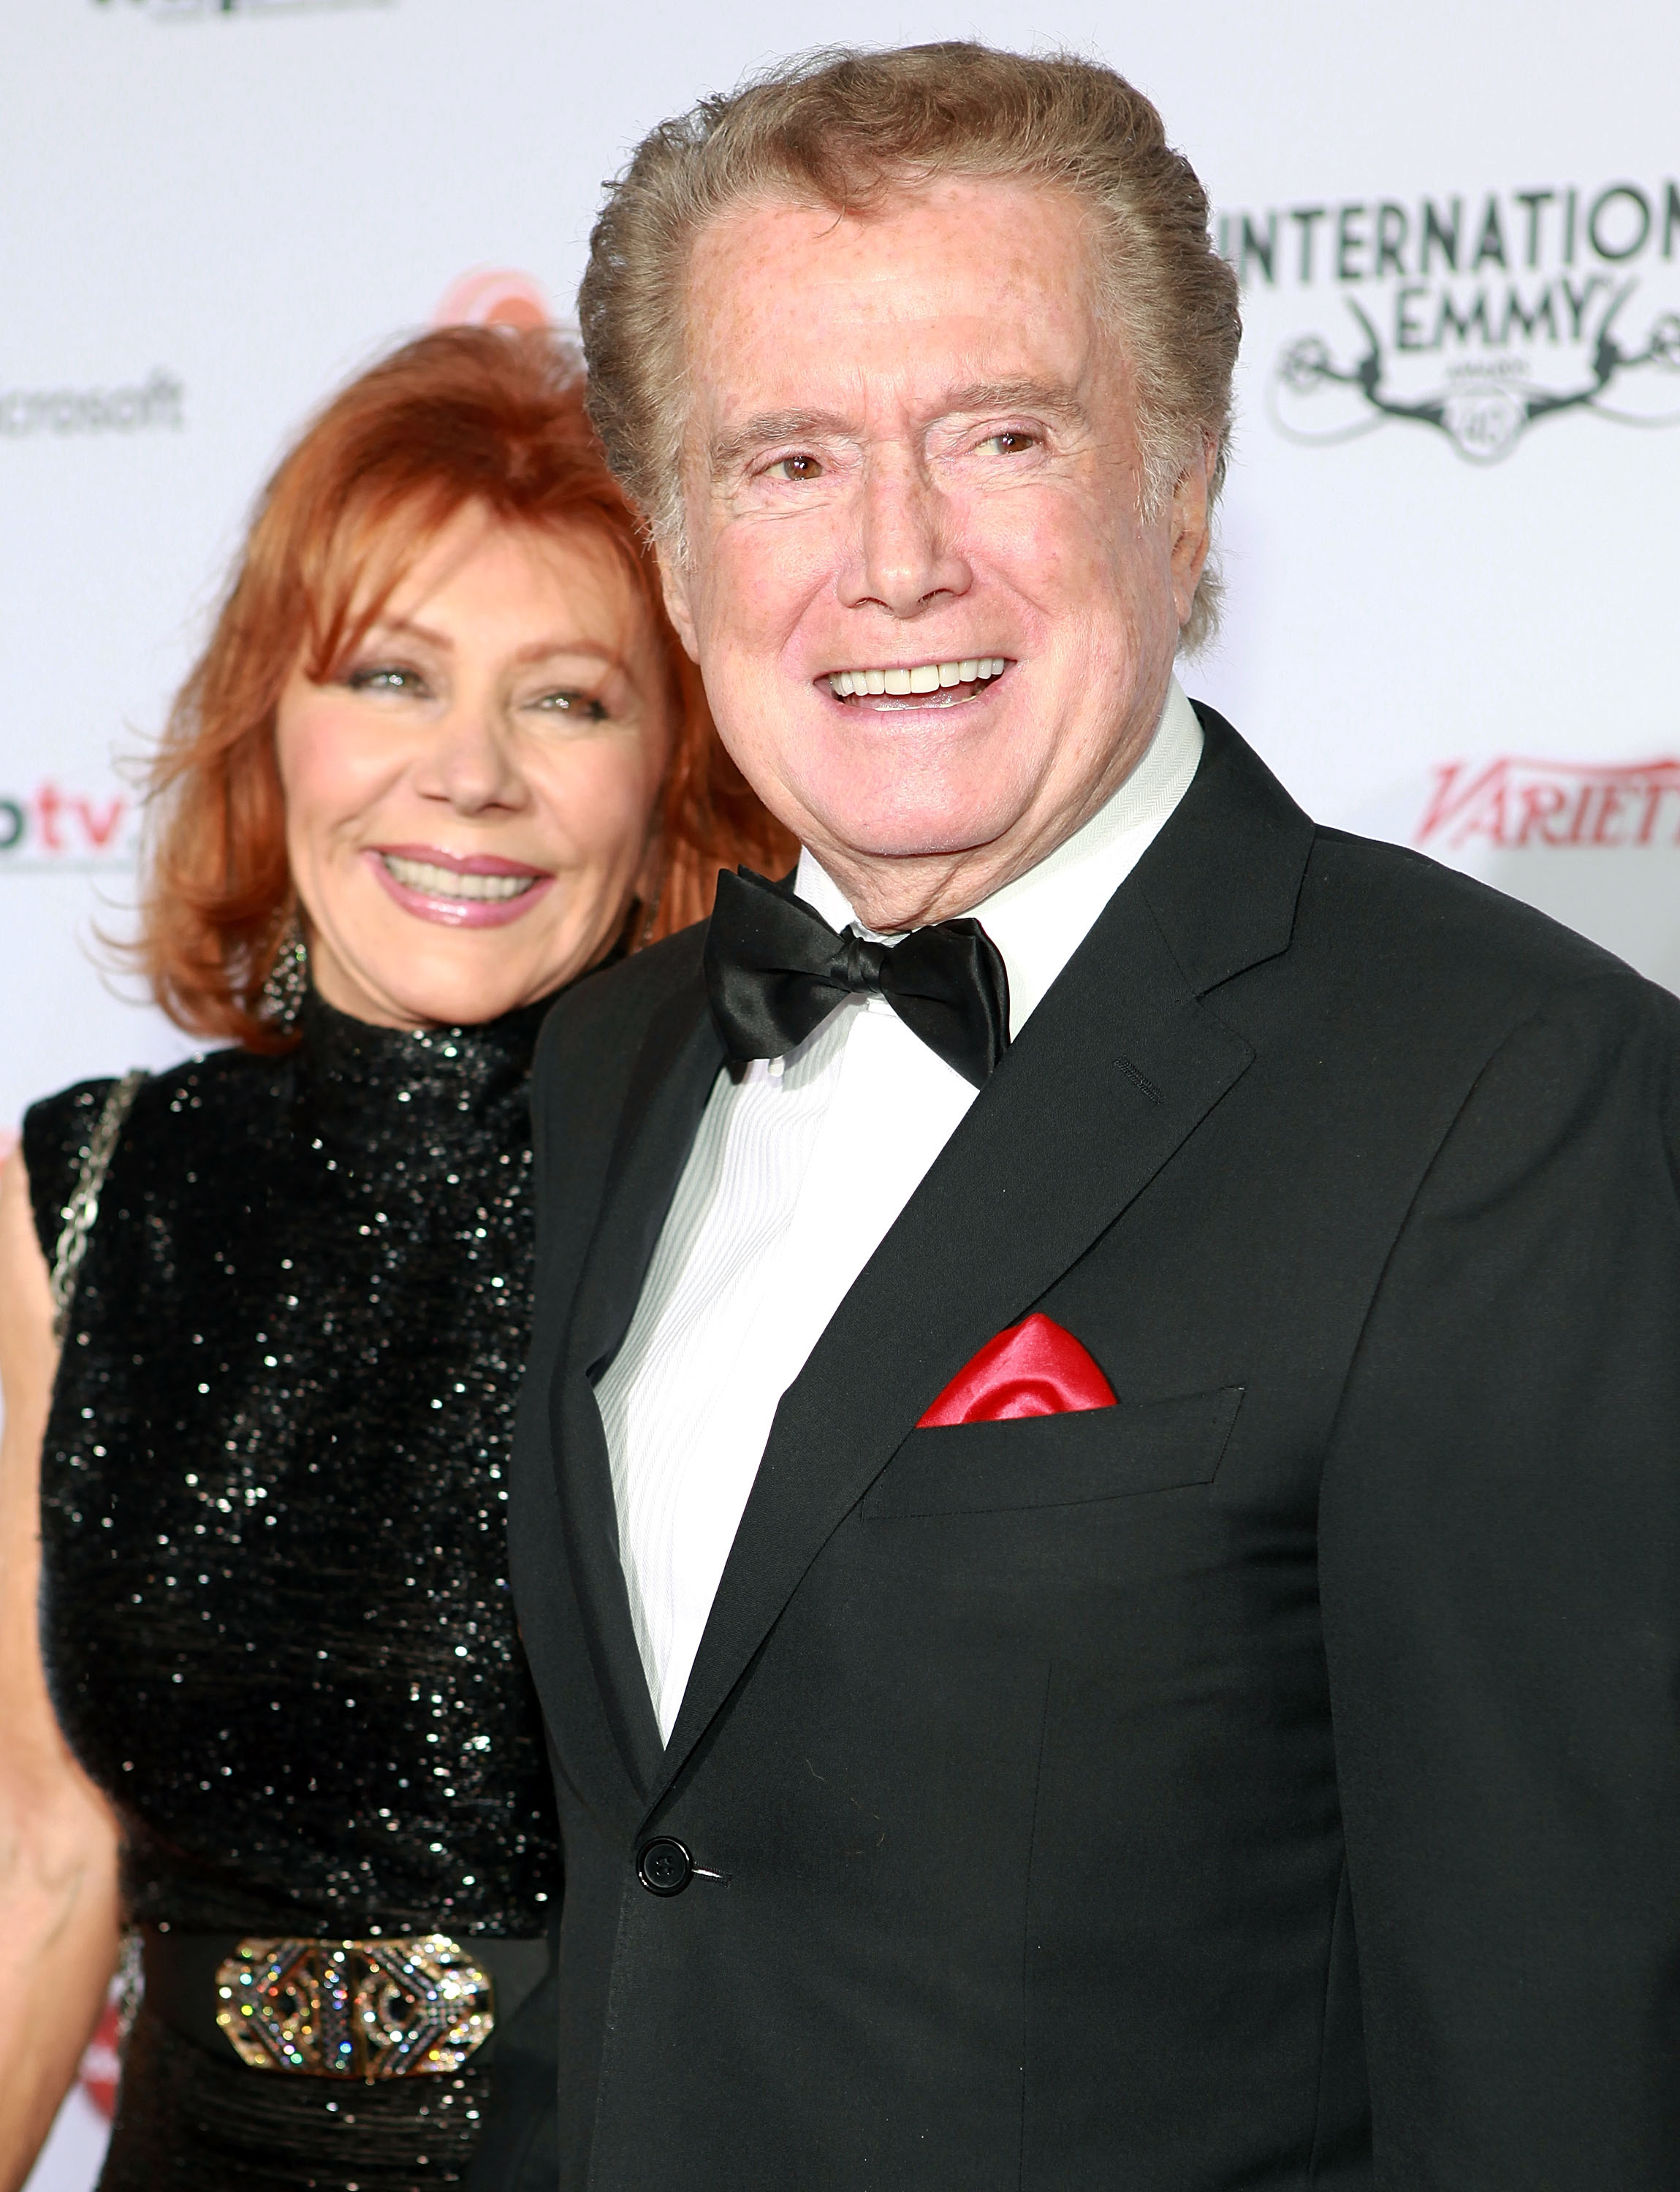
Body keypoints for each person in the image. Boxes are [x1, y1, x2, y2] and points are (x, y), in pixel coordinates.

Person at [503, 41, 1680, 2191]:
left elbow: (1557, 2048)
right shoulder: (614, 1063)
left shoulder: (1501, 1094)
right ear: (670, 553)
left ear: (1185, 487)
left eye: (1001, 436)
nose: (895, 560)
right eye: (784, 461)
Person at [0, 324, 791, 2192]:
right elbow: (42, 1853)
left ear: (675, 768)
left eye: (569, 701)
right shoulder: (89, 1191)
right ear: (273, 721)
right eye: (390, 676)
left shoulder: (771, 1179)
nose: (468, 778)